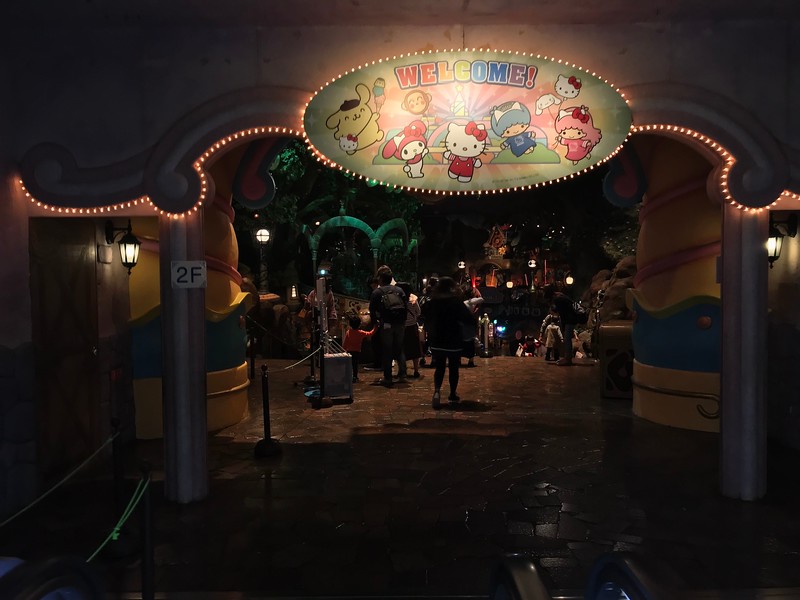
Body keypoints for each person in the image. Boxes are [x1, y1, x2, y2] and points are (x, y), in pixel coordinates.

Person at [425, 276, 475, 409]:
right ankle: (452, 394)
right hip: (453, 338)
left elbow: (426, 317)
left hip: (437, 339)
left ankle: (436, 391)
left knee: (439, 366)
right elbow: (468, 318)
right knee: (453, 367)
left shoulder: (433, 301)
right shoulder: (456, 302)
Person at [368, 268, 408, 387]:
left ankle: (388, 377)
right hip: (400, 324)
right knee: (400, 348)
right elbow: (405, 307)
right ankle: (402, 375)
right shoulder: (399, 290)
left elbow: (372, 310)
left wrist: (376, 322)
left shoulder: (377, 292)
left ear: (380, 278)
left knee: (387, 350)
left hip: (386, 325)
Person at [397, 282, 422, 378]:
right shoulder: (413, 300)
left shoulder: (398, 300)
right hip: (412, 327)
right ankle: (416, 370)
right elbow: (418, 312)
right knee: (415, 349)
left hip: (401, 327)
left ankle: (402, 370)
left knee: (401, 348)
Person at [343, 315, 377, 383]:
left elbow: (345, 343)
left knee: (349, 364)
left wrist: (344, 350)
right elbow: (370, 333)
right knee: (355, 365)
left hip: (349, 351)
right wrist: (375, 327)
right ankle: (355, 376)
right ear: (359, 324)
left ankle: (348, 376)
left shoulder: (348, 332)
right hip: (356, 351)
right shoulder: (360, 332)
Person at [552, 291, 579, 366]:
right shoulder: (562, 297)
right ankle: (567, 358)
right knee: (567, 338)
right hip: (571, 319)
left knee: (567, 338)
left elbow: (562, 313)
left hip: (569, 320)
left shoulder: (558, 299)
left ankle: (567, 359)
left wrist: (563, 326)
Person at [461, 283, 483, 367]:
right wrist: (476, 291)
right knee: (470, 341)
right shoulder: (470, 301)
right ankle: (471, 360)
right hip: (469, 321)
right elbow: (481, 299)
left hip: (461, 321)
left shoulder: (461, 301)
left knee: (460, 340)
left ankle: (459, 358)